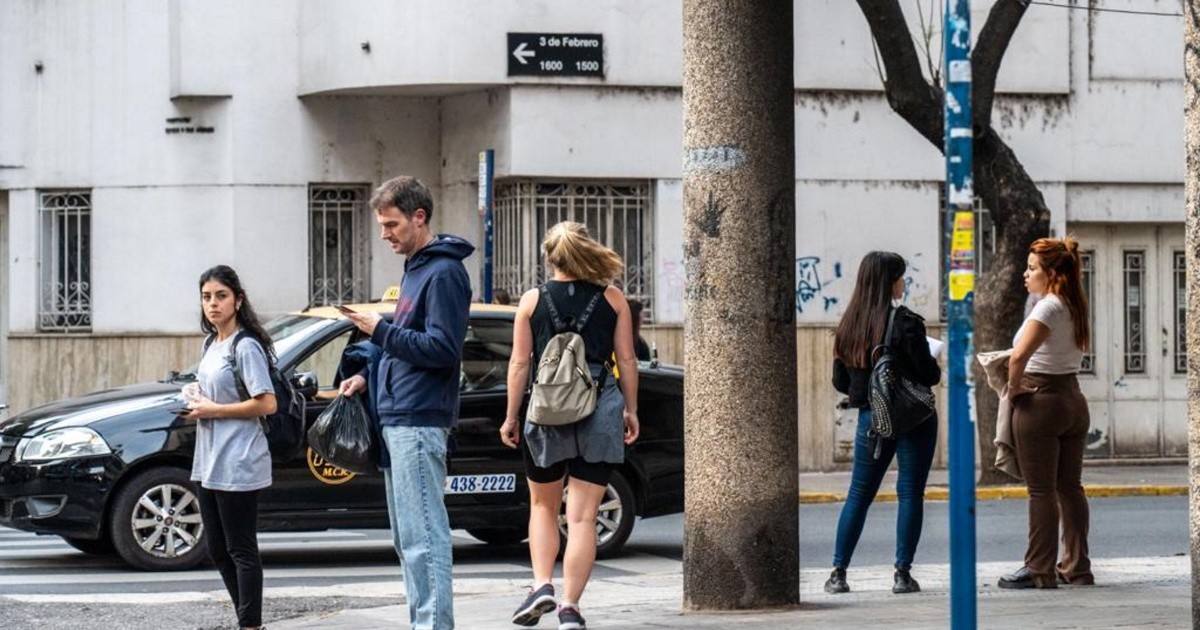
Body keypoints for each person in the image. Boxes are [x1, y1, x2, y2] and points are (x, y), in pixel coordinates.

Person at [338, 176, 473, 629]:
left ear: (420, 217)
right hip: (397, 415)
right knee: (407, 539)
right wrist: (363, 374)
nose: (385, 234)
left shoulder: (445, 271)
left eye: (392, 224)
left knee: (425, 538)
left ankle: (433, 625)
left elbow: (442, 349)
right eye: (381, 225)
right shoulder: (417, 267)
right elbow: (406, 344)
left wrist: (379, 330)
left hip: (418, 417)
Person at [499, 221, 640, 630]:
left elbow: (519, 364)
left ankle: (541, 584)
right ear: (586, 251)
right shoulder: (613, 299)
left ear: (551, 258)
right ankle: (570, 608)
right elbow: (627, 360)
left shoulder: (531, 301)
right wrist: (630, 409)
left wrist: (511, 416)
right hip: (600, 409)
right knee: (582, 517)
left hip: (545, 412)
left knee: (543, 506)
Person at [825, 251, 940, 595]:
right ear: (890, 281)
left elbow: (841, 383)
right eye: (900, 277)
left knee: (859, 494)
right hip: (914, 420)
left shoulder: (849, 324)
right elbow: (929, 374)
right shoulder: (906, 323)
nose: (904, 282)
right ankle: (902, 574)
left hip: (871, 420)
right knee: (909, 493)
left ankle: (838, 573)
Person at [182, 265, 277, 630]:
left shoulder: (246, 345)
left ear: (237, 300)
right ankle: (246, 618)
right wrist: (194, 397)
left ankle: (250, 624)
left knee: (241, 549)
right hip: (209, 458)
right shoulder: (211, 343)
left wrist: (214, 410)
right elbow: (212, 389)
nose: (213, 304)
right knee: (217, 549)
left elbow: (267, 403)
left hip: (239, 458)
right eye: (206, 297)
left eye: (221, 296)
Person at [998, 237, 1093, 589]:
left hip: (1042, 402)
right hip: (1072, 399)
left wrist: (1015, 387)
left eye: (1033, 268)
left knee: (1040, 491)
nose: (1026, 274)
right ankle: (1078, 566)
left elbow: (1019, 356)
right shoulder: (1074, 305)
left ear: (1051, 273)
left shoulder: (1047, 307)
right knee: (1070, 487)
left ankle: (1039, 568)